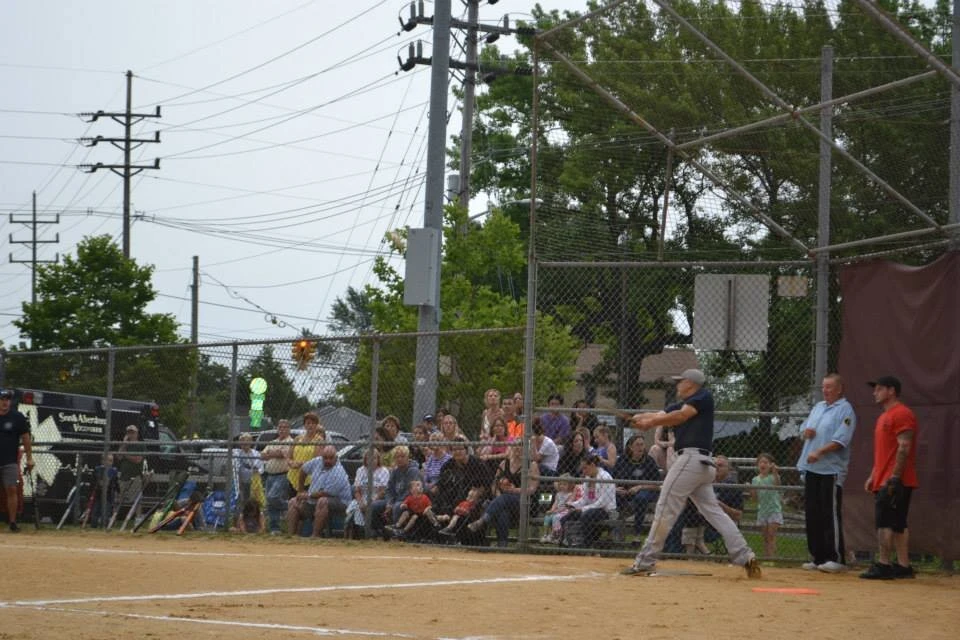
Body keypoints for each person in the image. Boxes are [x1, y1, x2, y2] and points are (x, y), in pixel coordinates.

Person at [622, 369, 761, 578]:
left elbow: (680, 417)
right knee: (713, 512)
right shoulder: (684, 404)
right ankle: (746, 557)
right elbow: (663, 415)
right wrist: (640, 417)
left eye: (681, 382)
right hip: (701, 464)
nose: (678, 385)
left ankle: (645, 561)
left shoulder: (702, 396)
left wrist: (650, 423)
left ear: (691, 383)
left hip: (691, 461)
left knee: (664, 507)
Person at [796, 373, 857, 573]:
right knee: (812, 514)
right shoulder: (818, 407)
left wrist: (820, 451)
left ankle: (835, 557)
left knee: (829, 514)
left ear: (839, 389)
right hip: (811, 467)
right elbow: (804, 430)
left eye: (829, 387)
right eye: (824, 387)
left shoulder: (845, 410)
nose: (825, 390)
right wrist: (806, 433)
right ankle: (818, 557)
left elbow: (841, 440)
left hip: (830, 470)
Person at [861, 375, 919, 580]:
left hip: (895, 479)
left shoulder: (902, 414)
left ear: (891, 390)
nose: (874, 393)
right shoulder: (884, 416)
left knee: (885, 522)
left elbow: (904, 447)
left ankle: (884, 564)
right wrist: (873, 475)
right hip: (885, 477)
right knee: (898, 524)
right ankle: (904, 566)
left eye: (879, 389)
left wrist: (894, 478)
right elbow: (884, 452)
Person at [468, 442, 539, 547]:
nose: (518, 449)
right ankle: (502, 544)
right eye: (515, 446)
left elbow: (532, 489)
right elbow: (494, 484)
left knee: (505, 498)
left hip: (523, 502)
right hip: (503, 502)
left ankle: (483, 520)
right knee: (503, 512)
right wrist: (497, 495)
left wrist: (514, 490)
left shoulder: (531, 465)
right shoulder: (504, 463)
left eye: (521, 446)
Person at [286, 445, 352, 538]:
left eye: (330, 458)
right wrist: (300, 490)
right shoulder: (318, 461)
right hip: (314, 500)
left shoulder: (339, 471)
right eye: (325, 458)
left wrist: (307, 495)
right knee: (293, 502)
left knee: (322, 501)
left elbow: (324, 493)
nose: (327, 461)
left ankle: (315, 536)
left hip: (339, 503)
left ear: (336, 458)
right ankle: (291, 537)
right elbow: (303, 470)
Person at [560, 454, 617, 547]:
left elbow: (602, 503)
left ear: (593, 465)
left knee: (586, 515)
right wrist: (573, 504)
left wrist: (583, 509)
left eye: (585, 468)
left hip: (605, 510)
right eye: (582, 469)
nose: (583, 471)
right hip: (591, 508)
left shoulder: (605, 478)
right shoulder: (588, 478)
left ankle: (586, 545)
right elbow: (585, 499)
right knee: (565, 518)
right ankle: (565, 545)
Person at [612, 435, 662, 539]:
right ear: (630, 447)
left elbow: (657, 485)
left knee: (640, 498)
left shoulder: (649, 461)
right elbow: (613, 480)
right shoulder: (622, 460)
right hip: (626, 492)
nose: (640, 447)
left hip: (646, 491)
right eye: (637, 445)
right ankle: (617, 531)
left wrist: (640, 487)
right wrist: (615, 489)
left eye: (642, 444)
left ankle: (637, 533)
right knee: (615, 496)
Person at [371, 446, 421, 537]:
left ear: (407, 457)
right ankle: (380, 532)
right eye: (397, 457)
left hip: (410, 501)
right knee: (374, 505)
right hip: (395, 501)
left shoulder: (413, 471)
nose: (400, 459)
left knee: (397, 506)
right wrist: (389, 503)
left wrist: (393, 504)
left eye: (402, 456)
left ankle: (398, 534)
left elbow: (411, 492)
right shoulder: (395, 471)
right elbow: (389, 490)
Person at [0, 389, 32, 532]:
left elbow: (26, 438)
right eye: (2, 399)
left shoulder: (17, 417)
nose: (5, 402)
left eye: (7, 399)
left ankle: (12, 522)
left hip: (10, 460)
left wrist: (29, 458)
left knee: (12, 489)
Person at [344, 448, 388, 539]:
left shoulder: (383, 471)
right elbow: (357, 490)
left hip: (376, 498)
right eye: (369, 458)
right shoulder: (361, 470)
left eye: (374, 458)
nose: (372, 460)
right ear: (365, 459)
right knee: (356, 507)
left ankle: (365, 534)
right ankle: (354, 534)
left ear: (378, 459)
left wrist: (370, 502)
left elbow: (382, 491)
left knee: (369, 507)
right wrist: (361, 503)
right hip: (362, 497)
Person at [261, 419, 294, 534]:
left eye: (285, 427)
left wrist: (273, 453)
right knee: (270, 503)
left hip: (282, 474)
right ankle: (275, 528)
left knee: (272, 497)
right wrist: (275, 452)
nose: (282, 429)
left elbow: (282, 455)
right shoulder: (273, 441)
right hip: (270, 475)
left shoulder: (291, 441)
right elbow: (263, 455)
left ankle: (289, 507)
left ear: (289, 429)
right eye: (280, 427)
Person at [751, 452, 782, 558]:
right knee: (765, 537)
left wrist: (775, 471)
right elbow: (755, 499)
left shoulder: (773, 477)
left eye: (766, 462)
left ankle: (771, 558)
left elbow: (778, 485)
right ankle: (767, 556)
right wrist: (752, 490)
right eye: (761, 462)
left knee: (771, 535)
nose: (763, 464)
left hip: (774, 510)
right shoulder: (755, 480)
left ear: (770, 465)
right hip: (762, 511)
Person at [287, 413, 326, 489]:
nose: (310, 425)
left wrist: (301, 463)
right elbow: (289, 456)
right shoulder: (297, 438)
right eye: (308, 423)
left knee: (305, 500)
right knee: (291, 500)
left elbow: (317, 460)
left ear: (316, 425)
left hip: (308, 478)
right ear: (304, 425)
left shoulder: (319, 440)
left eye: (313, 423)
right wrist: (291, 463)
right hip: (293, 475)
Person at [116, 424, 145, 523]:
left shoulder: (140, 445)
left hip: (136, 475)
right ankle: (114, 517)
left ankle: (138, 518)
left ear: (137, 434)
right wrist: (124, 444)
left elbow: (138, 459)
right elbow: (119, 457)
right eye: (129, 432)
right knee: (119, 497)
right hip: (124, 475)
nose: (130, 435)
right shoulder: (124, 445)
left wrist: (126, 455)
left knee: (137, 498)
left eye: (132, 432)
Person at [539, 475, 578, 544]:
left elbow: (566, 506)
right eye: (561, 484)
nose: (562, 486)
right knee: (547, 517)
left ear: (570, 485)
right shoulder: (558, 494)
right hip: (556, 511)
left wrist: (555, 511)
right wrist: (551, 510)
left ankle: (556, 535)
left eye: (565, 484)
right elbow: (555, 503)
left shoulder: (570, 495)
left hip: (565, 511)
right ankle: (545, 534)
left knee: (555, 517)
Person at [235, 432, 263, 504]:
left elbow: (261, 467)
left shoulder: (256, 453)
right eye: (243, 442)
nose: (245, 444)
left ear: (251, 442)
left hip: (254, 481)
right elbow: (238, 468)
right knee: (243, 500)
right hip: (242, 482)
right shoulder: (237, 453)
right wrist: (251, 471)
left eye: (247, 441)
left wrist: (257, 471)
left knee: (254, 501)